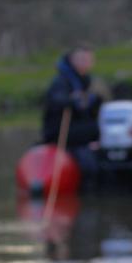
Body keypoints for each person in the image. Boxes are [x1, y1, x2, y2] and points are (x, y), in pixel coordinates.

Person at [42, 46, 102, 174]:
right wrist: (74, 100)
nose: (85, 62)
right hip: (59, 132)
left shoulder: (88, 80)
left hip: (78, 128)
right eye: (81, 59)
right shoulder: (61, 81)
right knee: (97, 129)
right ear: (71, 60)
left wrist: (95, 100)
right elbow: (57, 100)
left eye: (88, 59)